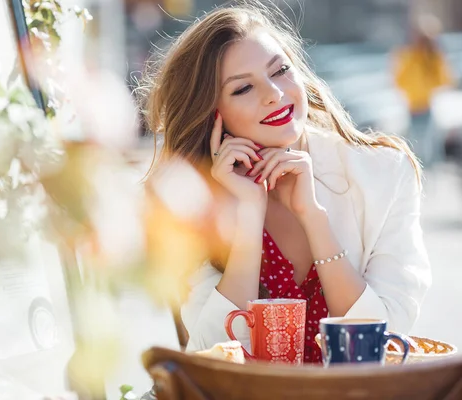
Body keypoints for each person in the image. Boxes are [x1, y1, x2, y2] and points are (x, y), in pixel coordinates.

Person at [139, 2, 431, 363]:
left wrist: (313, 217)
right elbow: (210, 356)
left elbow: (385, 339)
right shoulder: (195, 201)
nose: (274, 93)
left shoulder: (384, 173)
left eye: (280, 71)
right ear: (212, 116)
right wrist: (248, 218)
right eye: (243, 88)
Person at [393, 14, 455, 168]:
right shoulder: (409, 55)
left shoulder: (432, 58)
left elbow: (445, 79)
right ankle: (419, 169)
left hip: (426, 104)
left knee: (428, 144)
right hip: (413, 105)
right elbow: (399, 79)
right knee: (415, 142)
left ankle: (428, 170)